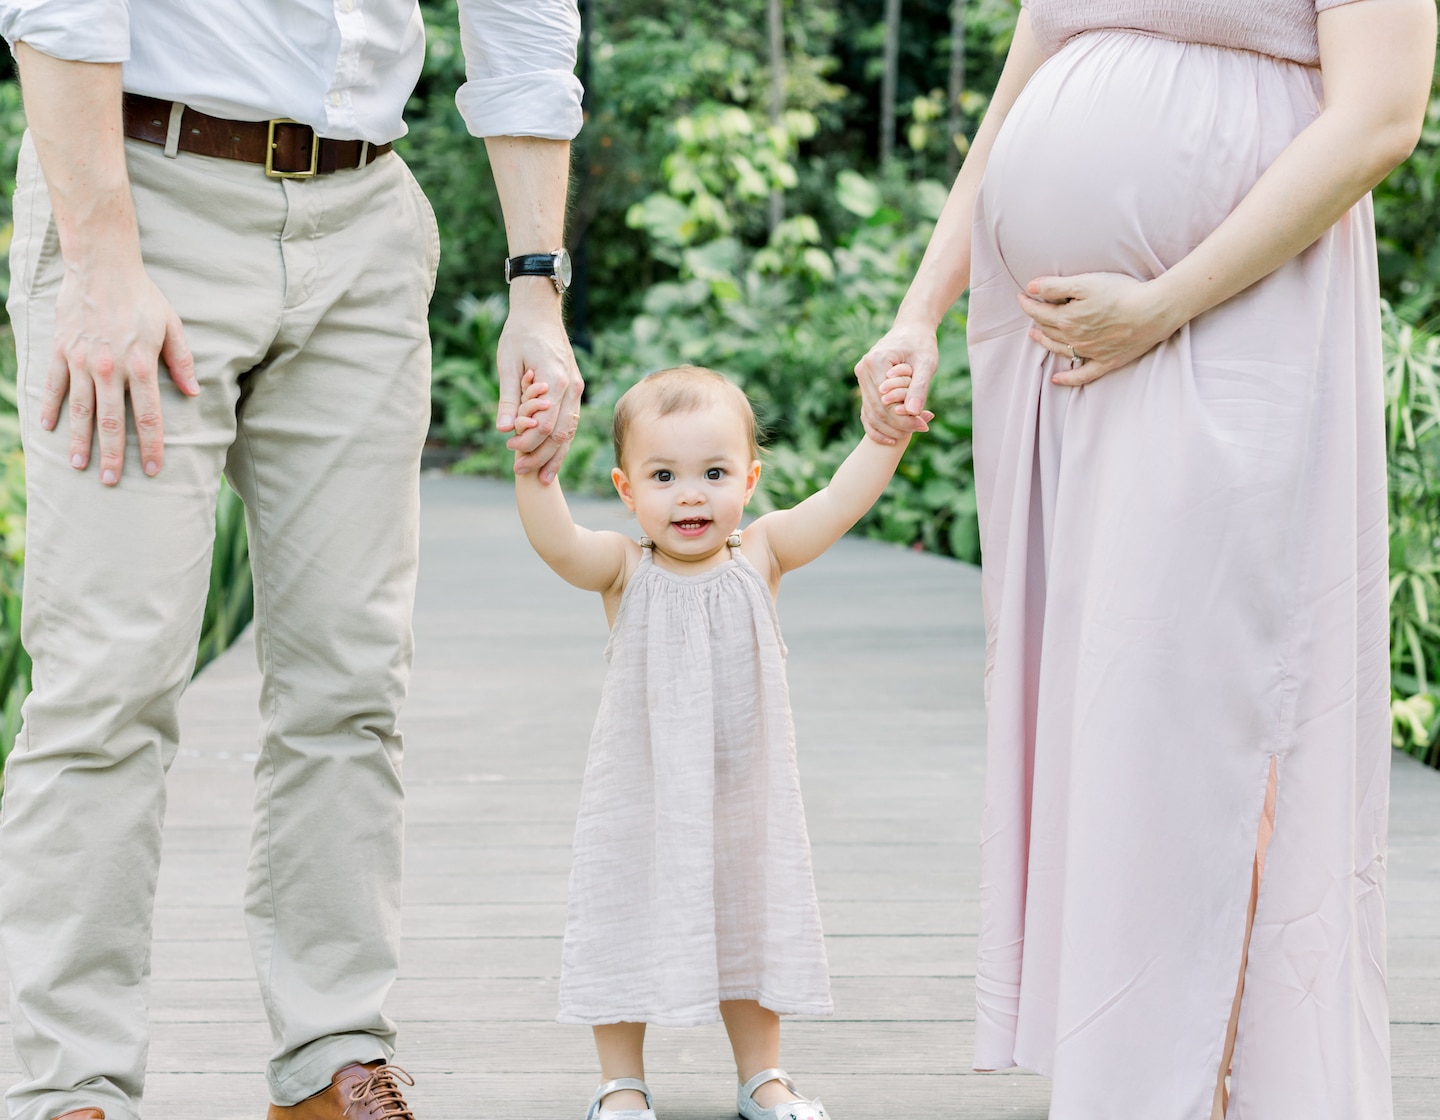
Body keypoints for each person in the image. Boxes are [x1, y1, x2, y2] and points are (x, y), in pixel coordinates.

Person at [0, 3, 586, 1120]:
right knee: (107, 680)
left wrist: (535, 289)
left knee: (352, 680)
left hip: (365, 211)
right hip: (143, 189)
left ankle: (331, 1058)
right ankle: (70, 1089)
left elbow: (522, 14)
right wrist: (100, 258)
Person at [853, 1, 1435, 1117]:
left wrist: (1165, 302)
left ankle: (1230, 1089)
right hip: (1066, 365)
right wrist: (919, 308)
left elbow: (1379, 119)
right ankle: (1131, 1084)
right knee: (1116, 724)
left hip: (1233, 321)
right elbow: (1023, 85)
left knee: (1211, 713)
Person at [512, 364, 928, 1120]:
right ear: (627, 488)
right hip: (642, 796)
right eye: (664, 475)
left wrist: (884, 437)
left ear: (751, 477)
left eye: (714, 472)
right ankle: (621, 1082)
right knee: (622, 913)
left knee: (751, 919)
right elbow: (559, 546)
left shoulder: (762, 554)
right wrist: (536, 471)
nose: (692, 494)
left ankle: (762, 1076)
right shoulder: (624, 567)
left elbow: (840, 500)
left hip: (744, 797)